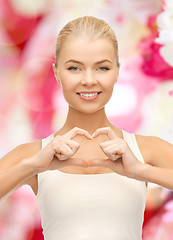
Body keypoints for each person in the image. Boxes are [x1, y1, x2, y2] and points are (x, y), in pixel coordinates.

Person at [0, 15, 173, 240]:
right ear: (56, 72)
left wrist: (141, 171)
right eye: (74, 68)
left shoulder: (146, 150)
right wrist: (32, 166)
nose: (89, 80)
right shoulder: (34, 155)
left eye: (102, 68)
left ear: (117, 71)